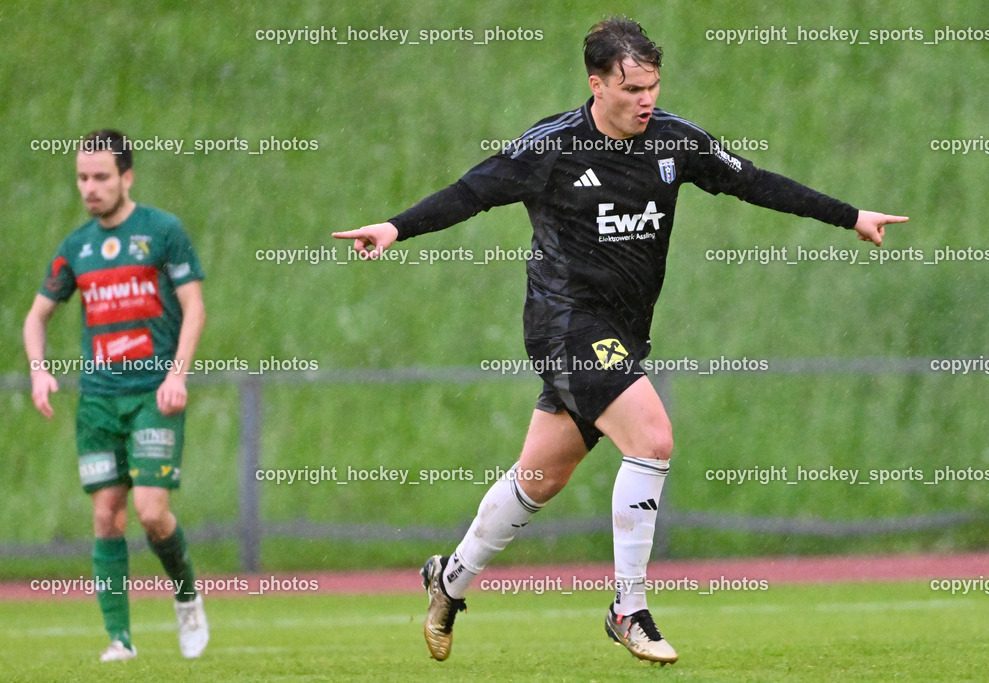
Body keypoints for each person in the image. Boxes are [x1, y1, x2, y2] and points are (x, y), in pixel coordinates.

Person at [334, 17, 907, 665]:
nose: (646, 99)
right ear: (597, 83)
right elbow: (471, 193)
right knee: (653, 437)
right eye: (632, 87)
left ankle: (450, 579)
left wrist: (851, 216)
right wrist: (395, 228)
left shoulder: (673, 140)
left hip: (622, 335)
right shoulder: (551, 147)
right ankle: (627, 607)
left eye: (653, 86)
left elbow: (754, 182)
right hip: (563, 324)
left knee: (539, 478)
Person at [23, 129, 210, 662]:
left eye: (101, 176)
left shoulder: (162, 232)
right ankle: (119, 640)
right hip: (99, 401)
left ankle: (187, 595)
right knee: (107, 515)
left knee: (152, 512)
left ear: (127, 176)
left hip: (154, 393)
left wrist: (178, 374)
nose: (91, 187)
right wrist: (39, 371)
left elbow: (194, 307)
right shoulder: (77, 248)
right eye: (83, 177)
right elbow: (36, 317)